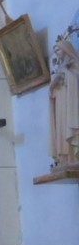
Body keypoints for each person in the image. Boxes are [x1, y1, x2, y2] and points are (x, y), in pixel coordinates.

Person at [49, 37, 79, 167]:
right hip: (60, 105)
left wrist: (65, 71)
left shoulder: (75, 66)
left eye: (58, 50)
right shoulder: (59, 68)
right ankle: (64, 159)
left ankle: (74, 158)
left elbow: (75, 82)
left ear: (66, 50)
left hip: (71, 105)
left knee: (69, 129)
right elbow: (52, 92)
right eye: (55, 51)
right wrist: (52, 85)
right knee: (61, 130)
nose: (57, 53)